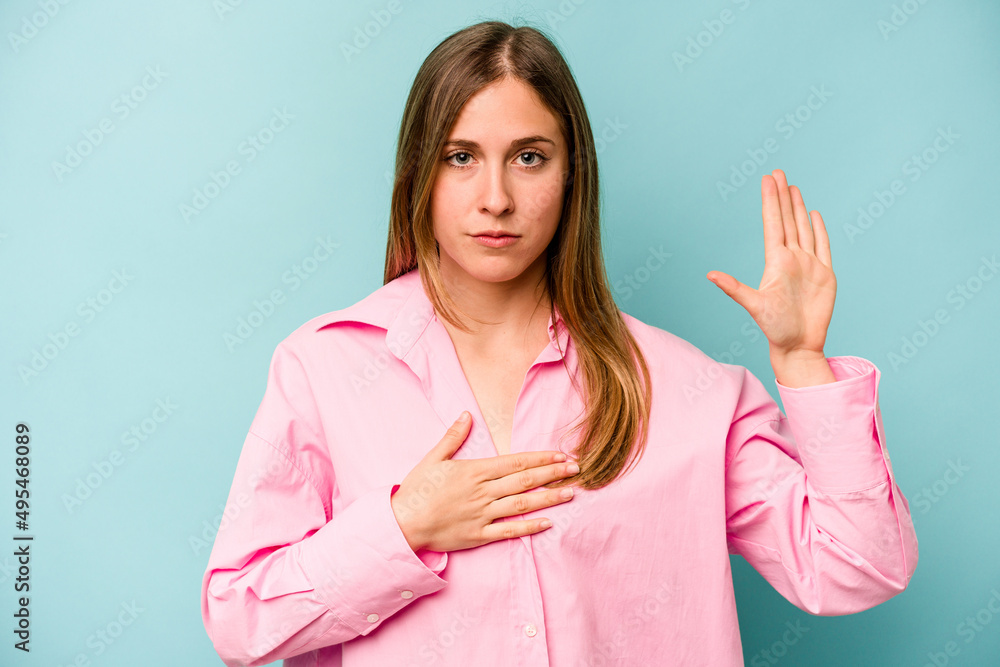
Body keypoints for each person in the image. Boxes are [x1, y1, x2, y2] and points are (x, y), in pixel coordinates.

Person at [200, 20, 918, 667]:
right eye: (460, 156)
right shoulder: (323, 368)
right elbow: (239, 620)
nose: (496, 197)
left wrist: (801, 362)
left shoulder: (688, 390)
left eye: (529, 157)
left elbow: (856, 566)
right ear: (419, 171)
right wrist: (404, 524)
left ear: (573, 172)